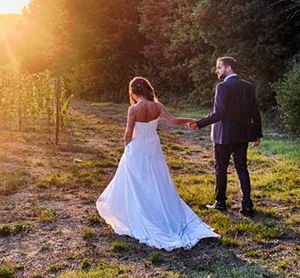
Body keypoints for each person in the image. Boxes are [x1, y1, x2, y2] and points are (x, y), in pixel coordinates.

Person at [96, 77, 219, 250]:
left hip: (137, 148)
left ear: (133, 91)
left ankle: (141, 212)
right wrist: (192, 119)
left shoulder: (133, 109)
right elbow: (175, 120)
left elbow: (128, 133)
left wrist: (126, 148)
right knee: (157, 180)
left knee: (137, 182)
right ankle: (161, 209)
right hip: (153, 147)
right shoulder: (157, 106)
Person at [188, 57, 262, 217]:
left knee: (221, 168)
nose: (217, 71)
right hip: (242, 135)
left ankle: (220, 203)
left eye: (219, 67)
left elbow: (219, 113)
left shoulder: (222, 87)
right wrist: (257, 134)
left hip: (223, 135)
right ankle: (247, 206)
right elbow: (255, 112)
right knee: (242, 168)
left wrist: (199, 123)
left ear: (228, 68)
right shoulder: (248, 86)